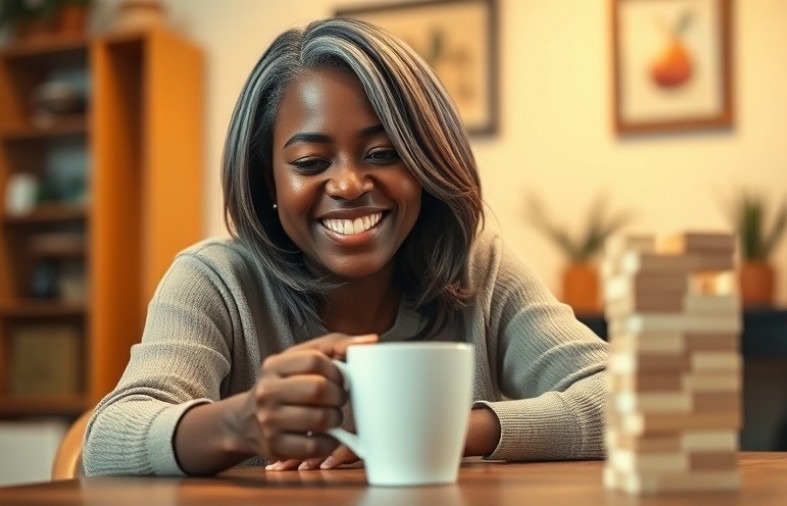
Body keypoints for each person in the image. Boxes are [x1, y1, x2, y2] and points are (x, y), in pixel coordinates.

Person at [82, 17, 608, 476]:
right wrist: (240, 424)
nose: (350, 184)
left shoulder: (479, 267)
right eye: (311, 163)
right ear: (267, 180)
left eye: (383, 153)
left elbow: (628, 400)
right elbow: (106, 442)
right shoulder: (215, 281)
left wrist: (451, 431)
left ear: (424, 165)